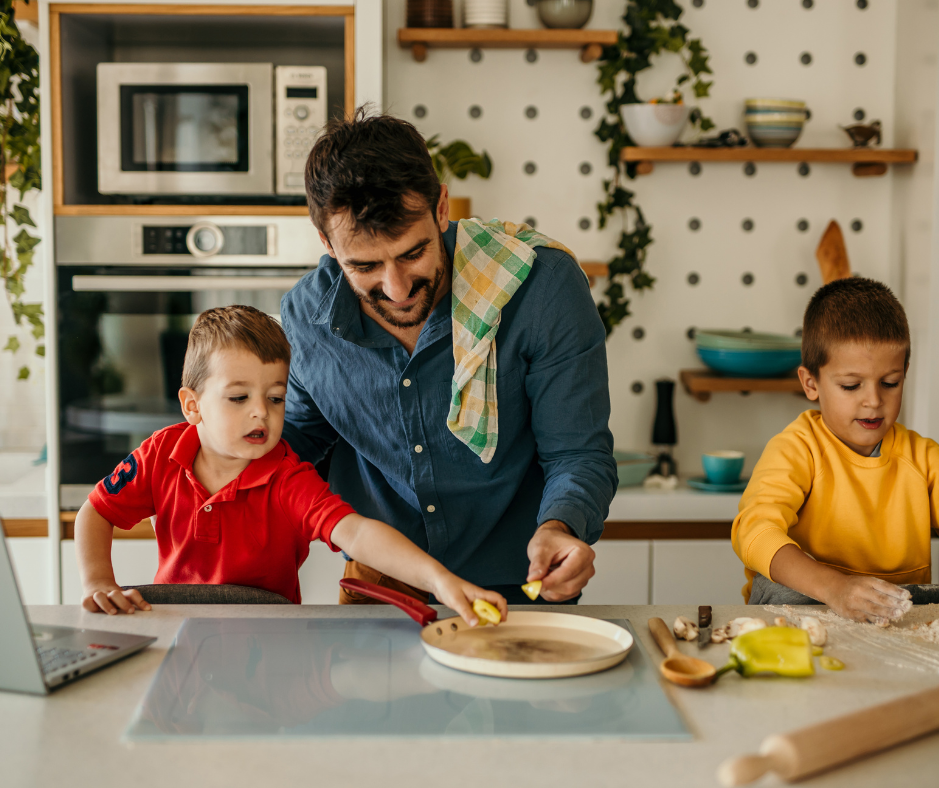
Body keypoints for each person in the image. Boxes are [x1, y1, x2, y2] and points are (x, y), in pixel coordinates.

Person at [281, 110, 617, 605]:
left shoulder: (541, 287)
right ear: (327, 244)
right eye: (366, 266)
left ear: (441, 208)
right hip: (380, 589)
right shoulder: (306, 315)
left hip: (519, 585)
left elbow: (577, 452)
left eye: (413, 253)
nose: (396, 289)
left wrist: (561, 526)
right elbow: (299, 441)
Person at [74, 305, 507, 625]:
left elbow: (355, 532)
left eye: (275, 398)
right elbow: (96, 511)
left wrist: (438, 580)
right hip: (174, 626)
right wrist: (97, 580)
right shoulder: (158, 454)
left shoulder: (287, 478)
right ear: (193, 406)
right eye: (239, 398)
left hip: (267, 637)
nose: (260, 413)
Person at [732, 277, 937, 623]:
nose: (873, 401)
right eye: (851, 385)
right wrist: (835, 588)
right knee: (778, 587)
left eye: (890, 383)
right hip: (808, 611)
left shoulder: (923, 457)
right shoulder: (797, 449)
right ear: (811, 383)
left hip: (895, 619)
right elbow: (752, 531)